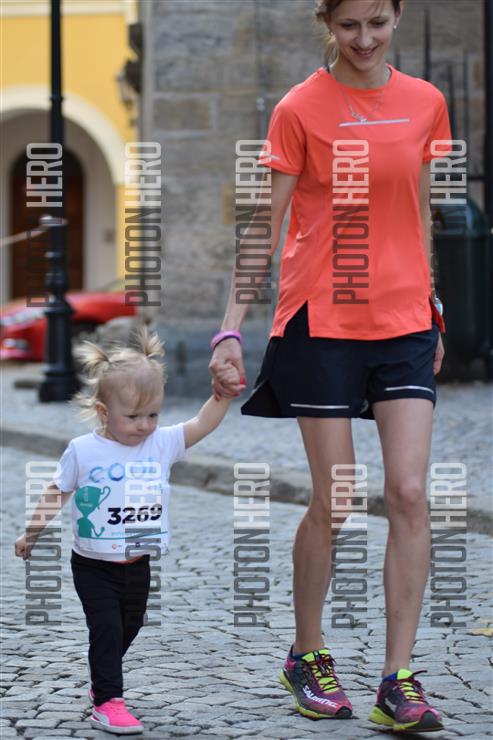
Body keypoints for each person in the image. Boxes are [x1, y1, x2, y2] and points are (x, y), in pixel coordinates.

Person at [209, 0, 451, 733]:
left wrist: (433, 300)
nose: (364, 39)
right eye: (349, 26)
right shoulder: (299, 108)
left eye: (377, 22)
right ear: (328, 24)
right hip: (322, 321)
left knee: (409, 492)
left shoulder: (426, 102)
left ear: (397, 16)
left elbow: (420, 209)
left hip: (405, 321)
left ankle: (396, 679)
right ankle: (306, 654)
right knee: (337, 497)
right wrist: (230, 328)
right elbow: (267, 223)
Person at [15, 328, 241, 735]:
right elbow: (57, 491)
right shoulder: (84, 450)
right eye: (133, 417)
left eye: (153, 415)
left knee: (129, 626)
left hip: (138, 561)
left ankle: (103, 674)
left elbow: (201, 423)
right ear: (104, 412)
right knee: (106, 627)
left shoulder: (161, 443)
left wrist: (221, 396)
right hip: (93, 564)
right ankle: (108, 700)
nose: (144, 426)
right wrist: (32, 531)